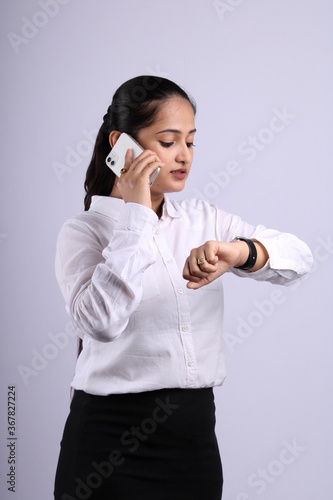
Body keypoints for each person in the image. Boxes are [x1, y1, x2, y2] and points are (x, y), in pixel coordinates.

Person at [53, 75, 313, 500]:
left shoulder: (203, 220)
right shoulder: (84, 232)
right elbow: (99, 323)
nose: (184, 156)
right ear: (121, 145)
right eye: (169, 141)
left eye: (190, 142)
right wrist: (136, 214)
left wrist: (238, 252)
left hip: (193, 445)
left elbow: (300, 257)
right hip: (107, 445)